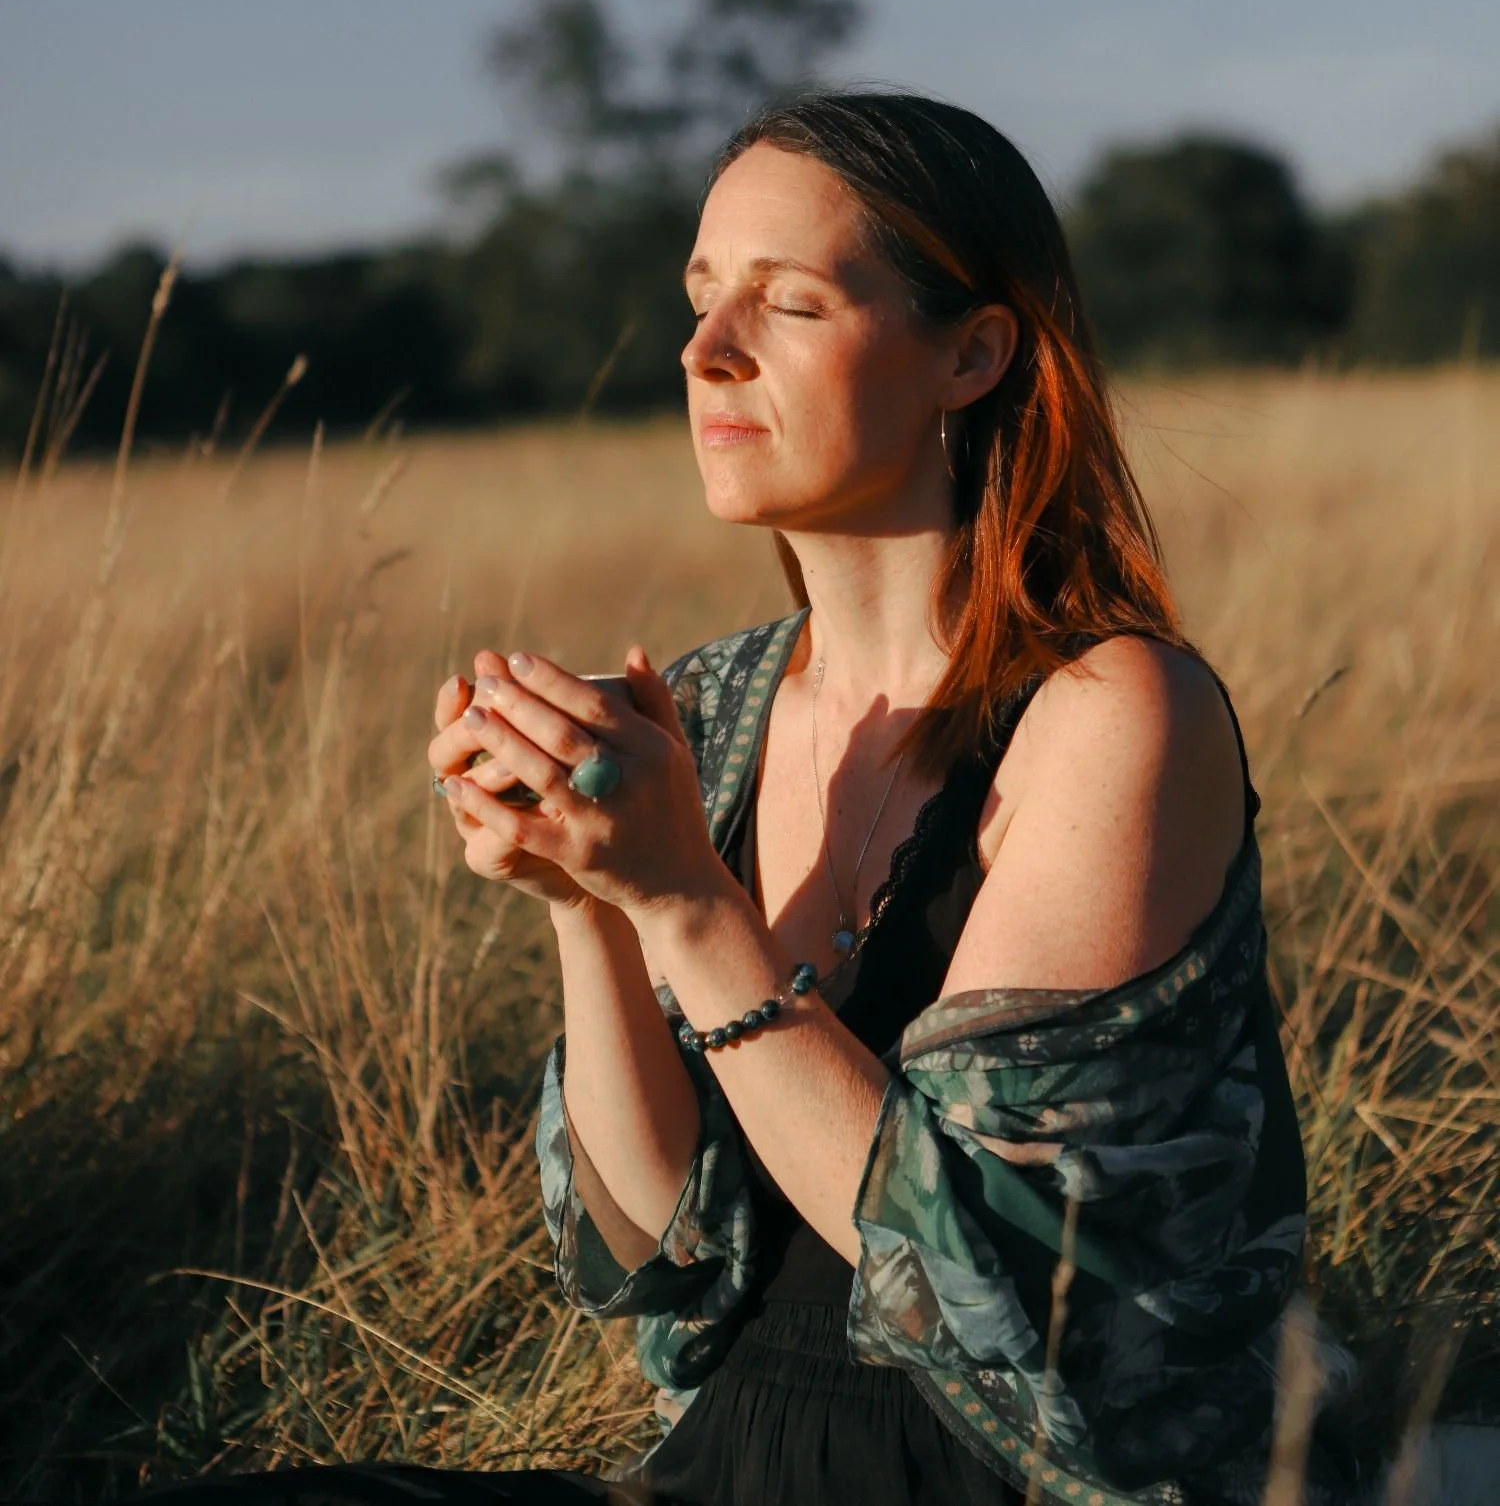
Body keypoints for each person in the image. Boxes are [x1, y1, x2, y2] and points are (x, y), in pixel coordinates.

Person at [152, 93, 1355, 1506]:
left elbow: (991, 1303)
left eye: (784, 303)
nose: (705, 351)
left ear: (971, 353)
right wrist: (591, 907)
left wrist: (686, 901)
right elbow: (656, 1262)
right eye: (700, 296)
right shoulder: (714, 706)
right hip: (728, 1465)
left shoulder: (1113, 714)